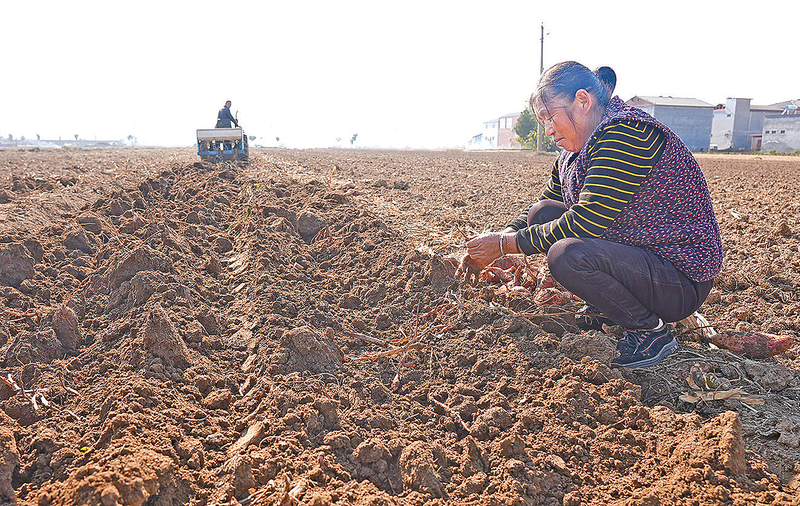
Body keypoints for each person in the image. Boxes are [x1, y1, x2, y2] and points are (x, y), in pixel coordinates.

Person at [458, 61, 723, 369]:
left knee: (567, 255)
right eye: (542, 120)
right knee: (542, 215)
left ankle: (650, 332)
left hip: (678, 279)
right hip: (640, 261)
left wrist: (505, 246)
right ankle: (607, 309)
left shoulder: (626, 133)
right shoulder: (572, 151)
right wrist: (498, 239)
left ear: (582, 101)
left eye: (550, 116)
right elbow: (546, 202)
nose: (548, 128)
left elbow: (587, 220)